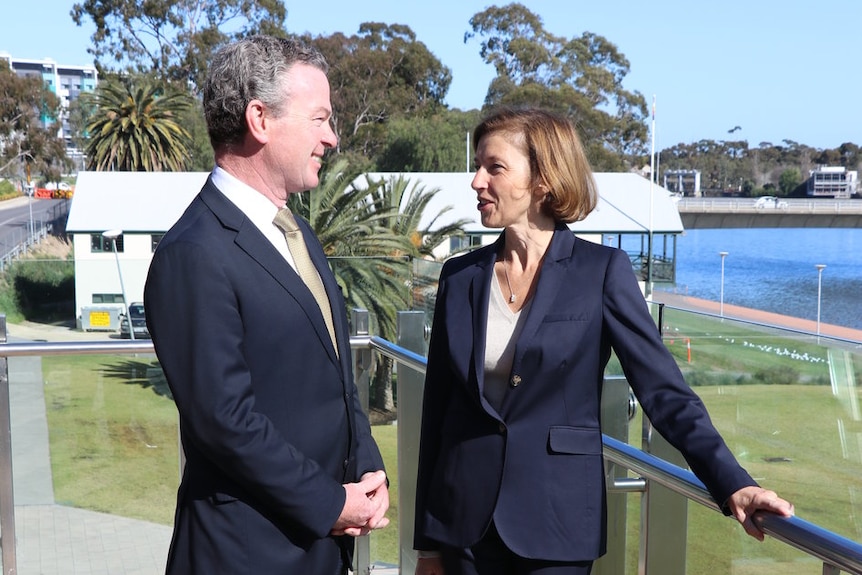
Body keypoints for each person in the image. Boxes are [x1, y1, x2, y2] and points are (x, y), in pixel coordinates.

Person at [413, 107, 794, 575]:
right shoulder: (459, 277)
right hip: (461, 528)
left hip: (555, 527)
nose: (475, 181)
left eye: (494, 167)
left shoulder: (602, 273)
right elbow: (438, 416)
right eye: (477, 166)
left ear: (542, 180)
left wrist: (733, 483)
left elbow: (664, 393)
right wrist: (428, 545)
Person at [144, 35, 389, 575]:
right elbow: (224, 421)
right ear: (260, 119)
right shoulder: (194, 253)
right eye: (319, 118)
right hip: (248, 553)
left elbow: (336, 376)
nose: (333, 136)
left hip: (320, 548)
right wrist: (329, 504)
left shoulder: (298, 234)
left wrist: (369, 471)